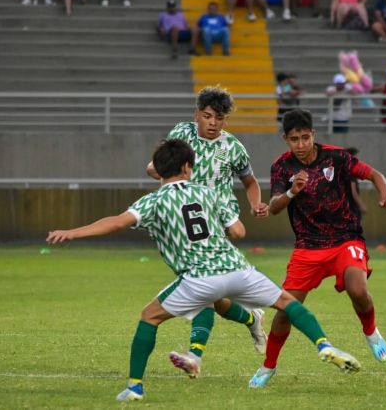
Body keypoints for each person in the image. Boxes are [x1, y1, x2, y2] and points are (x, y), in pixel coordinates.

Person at [47, 139, 361, 402]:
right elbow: (237, 231)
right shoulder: (208, 193)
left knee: (149, 317)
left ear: (159, 170)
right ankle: (324, 344)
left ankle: (134, 387)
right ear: (187, 167)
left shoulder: (153, 202)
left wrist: (73, 233)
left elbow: (114, 223)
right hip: (237, 269)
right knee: (287, 303)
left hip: (199, 278)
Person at [248, 109, 386, 389]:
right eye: (294, 139)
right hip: (308, 246)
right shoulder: (281, 167)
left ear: (313, 135)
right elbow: (273, 208)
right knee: (285, 311)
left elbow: (374, 174)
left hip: (346, 238)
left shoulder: (337, 156)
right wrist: (293, 191)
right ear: (285, 139)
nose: (301, 144)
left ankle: (371, 332)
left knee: (358, 289)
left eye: (305, 137)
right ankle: (268, 366)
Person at [145, 86, 271, 378]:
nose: (214, 123)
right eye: (208, 116)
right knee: (214, 297)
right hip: (182, 219)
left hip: (217, 221)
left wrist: (255, 204)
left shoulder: (233, 148)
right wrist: (156, 169)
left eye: (220, 118)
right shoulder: (182, 133)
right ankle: (252, 318)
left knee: (201, 286)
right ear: (197, 115)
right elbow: (159, 164)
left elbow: (250, 182)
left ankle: (195, 356)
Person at [346, 147, 369, 215]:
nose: (357, 160)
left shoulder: (343, 170)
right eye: (355, 158)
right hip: (351, 208)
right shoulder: (350, 172)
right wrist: (361, 205)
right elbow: (354, 192)